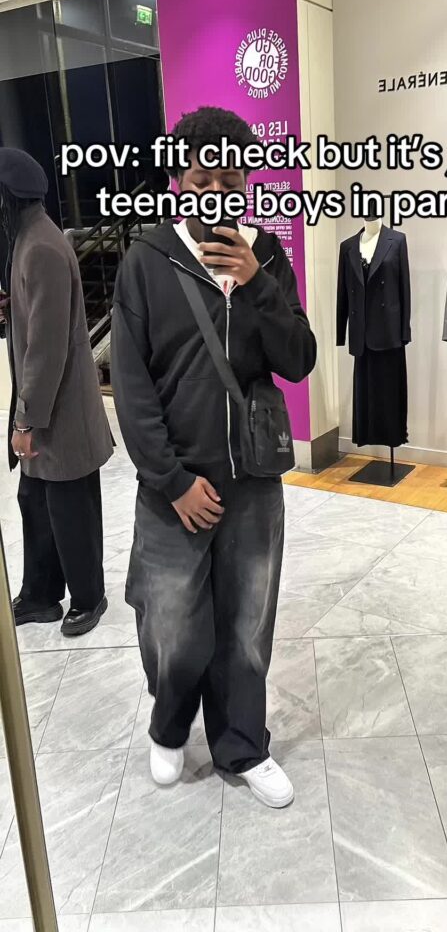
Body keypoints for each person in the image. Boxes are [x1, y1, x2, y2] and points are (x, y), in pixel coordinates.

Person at [111, 106, 316, 807]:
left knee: (247, 626)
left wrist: (258, 283)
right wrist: (171, 481)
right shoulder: (147, 259)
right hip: (173, 488)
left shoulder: (268, 255)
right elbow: (132, 386)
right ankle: (170, 726)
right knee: (171, 624)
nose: (217, 193)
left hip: (253, 481)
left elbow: (298, 359)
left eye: (232, 180)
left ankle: (242, 744)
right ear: (178, 180)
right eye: (203, 179)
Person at [0, 148, 114, 636]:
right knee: (36, 503)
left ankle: (89, 598)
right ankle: (41, 595)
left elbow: (46, 350)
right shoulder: (30, 239)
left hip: (60, 415)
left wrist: (25, 420)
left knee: (71, 511)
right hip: (52, 410)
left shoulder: (40, 247)